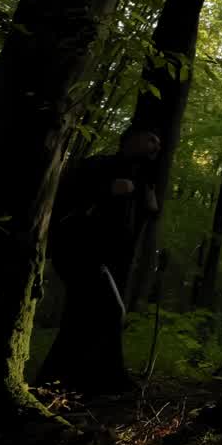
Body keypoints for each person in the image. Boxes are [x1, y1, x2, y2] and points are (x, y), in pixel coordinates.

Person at [37, 127, 161, 395]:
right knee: (111, 311)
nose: (155, 145)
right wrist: (106, 189)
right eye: (149, 138)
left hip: (106, 257)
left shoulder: (141, 179)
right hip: (77, 249)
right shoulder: (99, 164)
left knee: (79, 317)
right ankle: (105, 380)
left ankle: (55, 383)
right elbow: (63, 195)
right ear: (129, 140)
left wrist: (148, 206)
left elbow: (132, 223)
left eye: (158, 142)